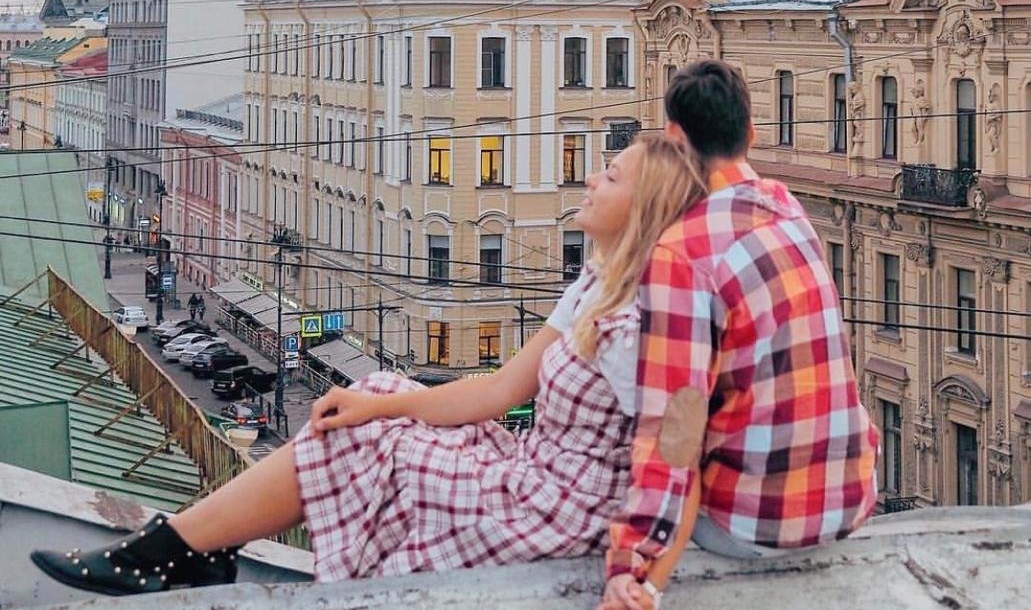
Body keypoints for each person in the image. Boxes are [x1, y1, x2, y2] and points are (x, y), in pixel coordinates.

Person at [31, 135, 705, 599]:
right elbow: (499, 389)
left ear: (642, 209)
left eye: (611, 176)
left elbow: (678, 464)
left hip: (563, 510)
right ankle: (184, 545)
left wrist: (640, 578)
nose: (591, 177)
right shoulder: (595, 284)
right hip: (531, 470)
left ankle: (169, 552)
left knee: (371, 443)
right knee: (375, 397)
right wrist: (373, 403)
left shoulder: (649, 318)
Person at [601, 59, 879, 610]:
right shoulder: (790, 210)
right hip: (849, 501)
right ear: (751, 133)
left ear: (675, 138)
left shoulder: (682, 251)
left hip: (755, 526)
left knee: (600, 471)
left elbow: (673, 424)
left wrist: (631, 566)